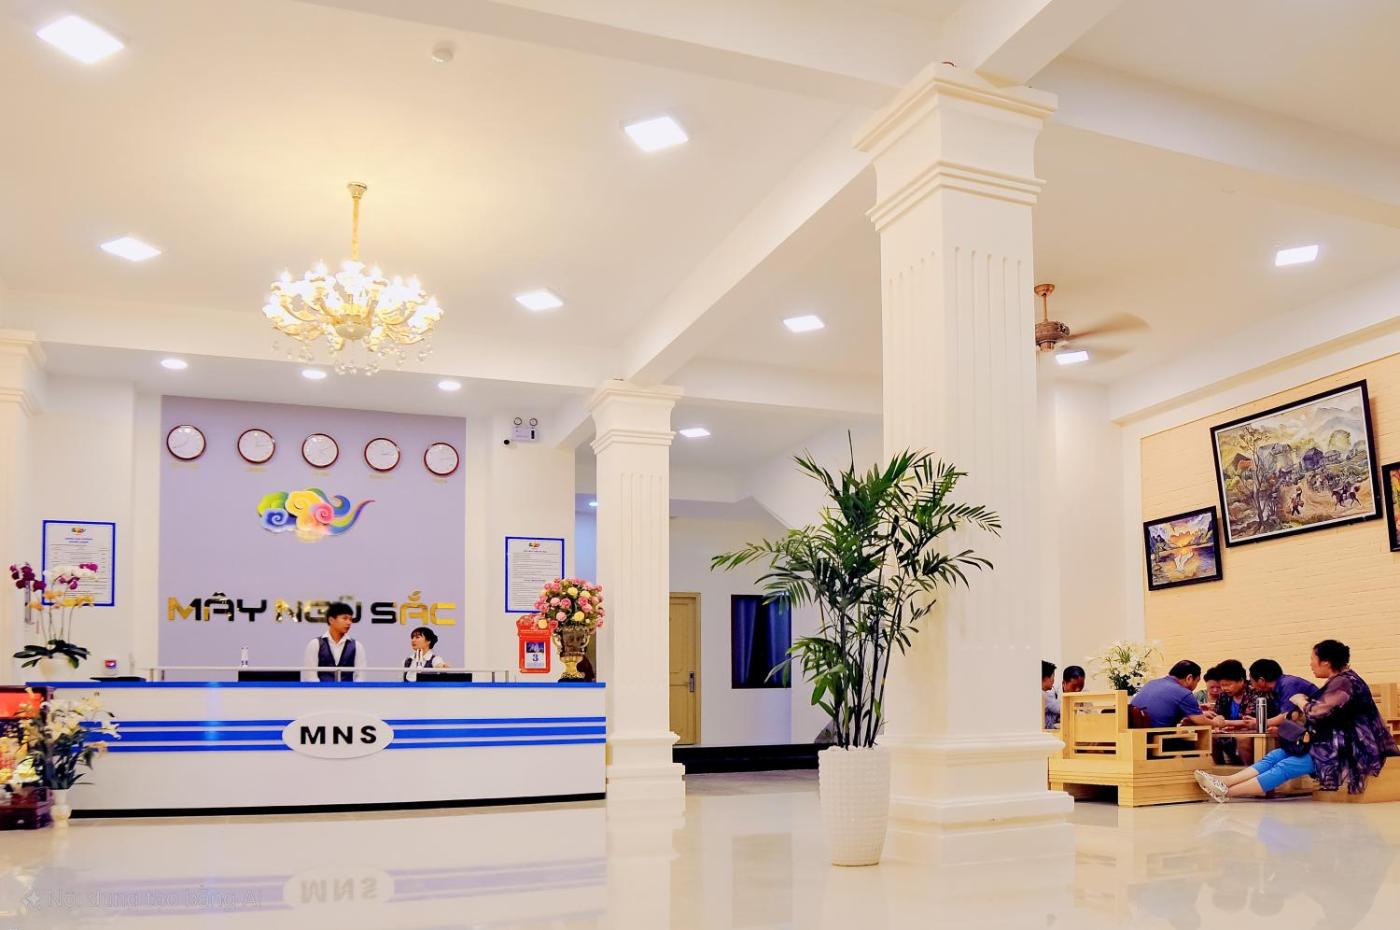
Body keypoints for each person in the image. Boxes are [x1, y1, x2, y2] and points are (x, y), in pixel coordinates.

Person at [1197, 639, 1400, 801]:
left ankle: (1226, 792)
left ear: (1326, 662)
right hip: (1327, 740)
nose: (1310, 664)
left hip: (1348, 746)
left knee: (1288, 765)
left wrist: (1301, 701)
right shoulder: (1340, 680)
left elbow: (1317, 712)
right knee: (1276, 755)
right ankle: (1226, 781)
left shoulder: (1344, 683)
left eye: (1313, 659)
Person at [1130, 660, 1221, 727]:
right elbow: (1200, 721)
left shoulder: (1151, 683)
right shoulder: (1184, 693)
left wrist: (1199, 712)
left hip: (1135, 735)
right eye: (1197, 681)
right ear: (1189, 678)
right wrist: (1217, 722)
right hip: (1157, 737)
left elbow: (1163, 710)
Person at [301, 602, 367, 682]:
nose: (349, 622)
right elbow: (310, 677)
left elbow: (361, 678)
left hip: (348, 690)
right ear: (331, 620)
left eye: (350, 619)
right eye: (345, 618)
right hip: (320, 690)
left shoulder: (357, 646)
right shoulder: (315, 644)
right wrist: (322, 689)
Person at [1212, 659, 1260, 765]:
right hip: (1228, 733)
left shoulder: (1254, 692)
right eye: (1222, 685)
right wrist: (1217, 721)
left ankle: (1249, 769)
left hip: (1252, 733)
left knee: (1242, 738)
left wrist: (1224, 723)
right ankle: (1219, 769)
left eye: (1228, 685)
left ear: (1241, 681)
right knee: (1210, 737)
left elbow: (1249, 721)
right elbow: (1218, 714)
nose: (1224, 688)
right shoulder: (1223, 695)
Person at [1249, 658, 1320, 729]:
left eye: (1252, 681)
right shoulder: (1276, 688)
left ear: (1261, 681)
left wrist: (1261, 723)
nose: (1252, 686)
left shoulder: (1288, 684)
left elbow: (1287, 715)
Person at [1043, 660, 1061, 729]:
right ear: (1046, 678)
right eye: (1053, 677)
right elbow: (1063, 708)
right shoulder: (1045, 696)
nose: (1053, 681)